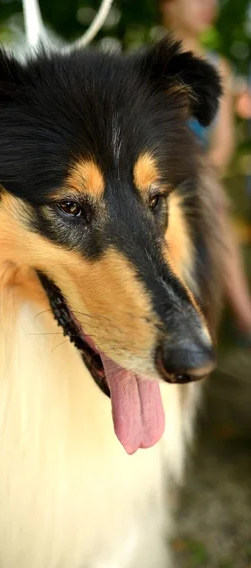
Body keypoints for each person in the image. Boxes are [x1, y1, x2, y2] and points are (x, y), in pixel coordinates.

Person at [158, 0, 251, 345]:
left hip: (200, 179)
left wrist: (200, 175)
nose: (209, 5)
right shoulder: (147, 66)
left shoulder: (218, 66)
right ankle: (244, 316)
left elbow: (223, 145)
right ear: (168, 5)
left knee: (213, 201)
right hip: (159, 179)